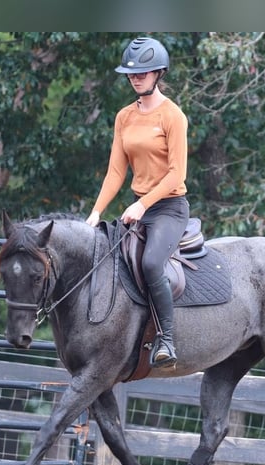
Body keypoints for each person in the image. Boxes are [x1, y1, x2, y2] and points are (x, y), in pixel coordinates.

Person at [86, 36, 190, 368]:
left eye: (142, 73)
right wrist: (96, 212)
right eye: (131, 74)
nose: (135, 78)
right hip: (137, 209)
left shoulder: (173, 116)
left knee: (149, 264)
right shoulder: (124, 117)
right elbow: (116, 172)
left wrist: (144, 204)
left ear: (159, 73)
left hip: (168, 208)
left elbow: (176, 174)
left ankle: (167, 341)